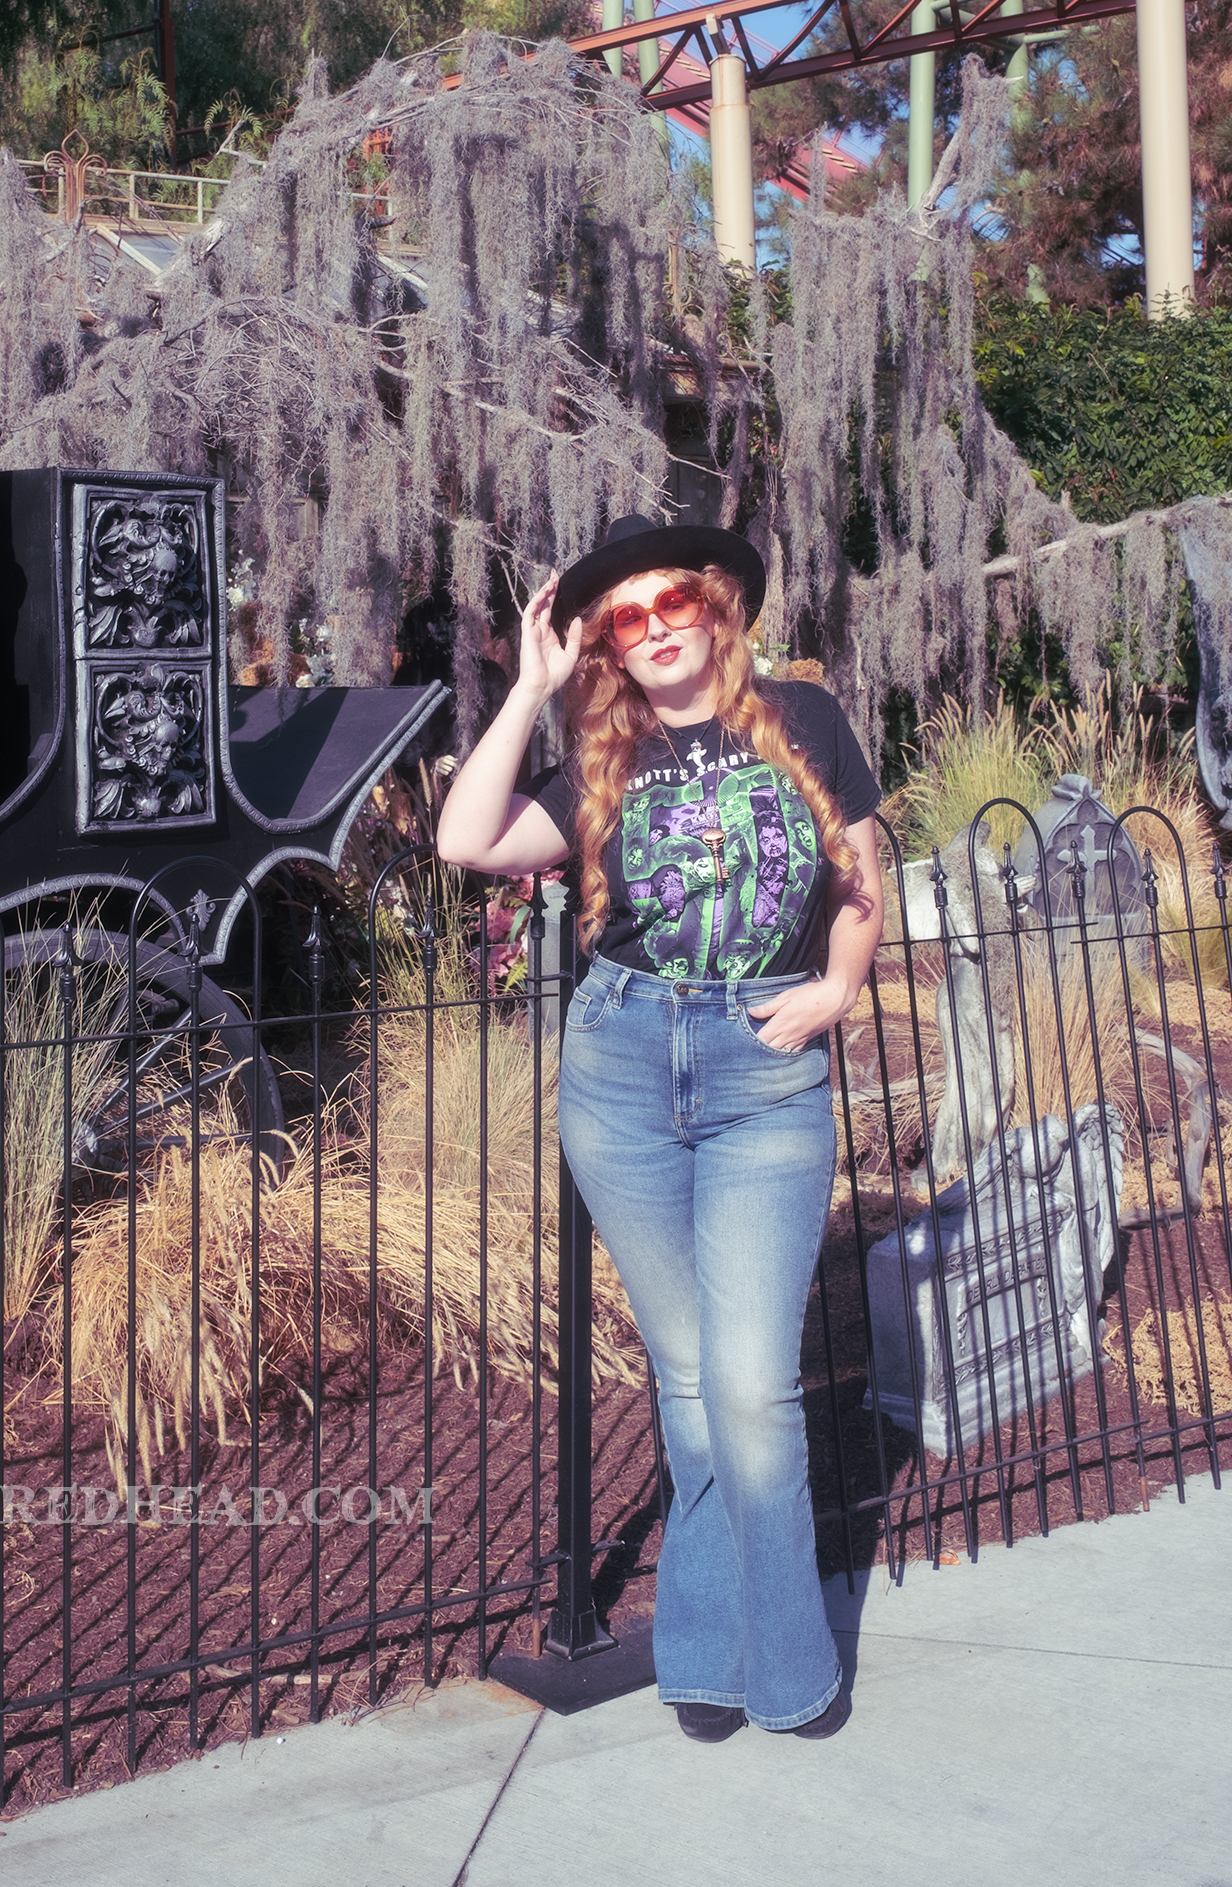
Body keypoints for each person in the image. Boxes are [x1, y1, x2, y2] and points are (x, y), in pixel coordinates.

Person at [437, 515, 884, 1743]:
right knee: (687, 1385)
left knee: (746, 1387)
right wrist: (530, 689)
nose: (654, 627)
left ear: (719, 604)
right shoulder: (594, 747)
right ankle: (700, 1655)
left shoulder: (804, 719)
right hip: (622, 1068)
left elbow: (860, 882)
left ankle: (788, 1669)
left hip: (762, 1073)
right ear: (607, 646)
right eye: (623, 617)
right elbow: (466, 840)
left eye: (671, 600)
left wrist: (838, 990)